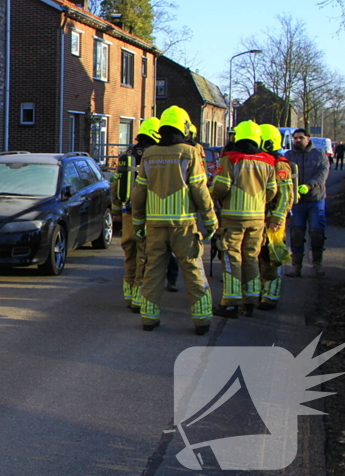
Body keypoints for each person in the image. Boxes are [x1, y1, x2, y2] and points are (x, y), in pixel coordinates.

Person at [130, 105, 219, 335]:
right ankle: (201, 321)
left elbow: (138, 193)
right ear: (185, 127)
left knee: (153, 272)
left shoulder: (149, 154)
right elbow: (199, 189)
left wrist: (138, 223)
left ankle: (149, 319)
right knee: (192, 270)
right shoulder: (188, 153)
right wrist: (210, 220)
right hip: (184, 226)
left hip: (155, 226)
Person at [210, 121, 277, 318]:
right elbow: (272, 190)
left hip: (233, 218)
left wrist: (213, 192)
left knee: (232, 258)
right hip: (257, 218)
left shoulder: (231, 159)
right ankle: (251, 300)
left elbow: (221, 187)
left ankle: (230, 303)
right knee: (251, 257)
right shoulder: (268, 161)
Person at [111, 117, 162, 310]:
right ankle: (139, 298)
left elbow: (117, 182)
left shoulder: (128, 154)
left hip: (127, 212)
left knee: (129, 254)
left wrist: (116, 208)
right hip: (147, 213)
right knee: (144, 256)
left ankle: (128, 294)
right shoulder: (154, 156)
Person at [257, 124, 296, 310]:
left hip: (274, 220)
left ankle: (270, 296)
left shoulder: (280, 164)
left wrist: (277, 218)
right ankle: (259, 291)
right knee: (258, 255)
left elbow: (285, 195)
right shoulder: (263, 161)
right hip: (260, 216)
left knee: (272, 257)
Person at [283, 128, 329, 277]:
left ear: (308, 139)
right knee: (296, 233)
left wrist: (309, 185)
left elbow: (322, 174)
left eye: (300, 138)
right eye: (295, 138)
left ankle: (317, 264)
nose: (297, 140)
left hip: (315, 199)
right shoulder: (289, 156)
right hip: (297, 202)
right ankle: (296, 266)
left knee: (316, 232)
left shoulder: (319, 155)